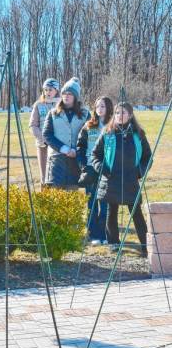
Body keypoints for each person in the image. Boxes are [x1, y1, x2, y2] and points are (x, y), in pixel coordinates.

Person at [91, 102, 151, 256]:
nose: (119, 115)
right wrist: (103, 169)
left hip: (131, 180)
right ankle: (113, 243)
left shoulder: (138, 134)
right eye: (117, 113)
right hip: (111, 179)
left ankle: (146, 245)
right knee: (111, 212)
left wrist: (140, 172)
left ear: (130, 115)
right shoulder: (107, 133)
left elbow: (147, 157)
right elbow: (95, 155)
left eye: (123, 113)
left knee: (136, 213)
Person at [77, 96, 114, 245]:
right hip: (91, 169)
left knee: (104, 202)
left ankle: (104, 234)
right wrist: (84, 166)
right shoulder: (88, 126)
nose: (100, 109)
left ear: (109, 108)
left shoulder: (113, 126)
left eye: (103, 106)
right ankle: (93, 235)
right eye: (97, 106)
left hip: (106, 169)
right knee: (91, 201)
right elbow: (80, 147)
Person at [43, 77, 90, 190]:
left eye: (70, 93)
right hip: (56, 160)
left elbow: (90, 136)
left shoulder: (85, 114)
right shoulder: (53, 113)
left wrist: (76, 150)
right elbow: (47, 135)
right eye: (64, 93)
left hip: (75, 160)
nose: (66, 96)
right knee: (55, 197)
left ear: (75, 97)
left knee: (71, 198)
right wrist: (64, 149)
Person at [29, 78, 60, 186]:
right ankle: (44, 198)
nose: (48, 92)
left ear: (56, 90)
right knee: (44, 175)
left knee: (56, 175)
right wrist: (42, 138)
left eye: (50, 89)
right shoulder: (38, 105)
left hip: (57, 144)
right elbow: (32, 125)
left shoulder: (61, 104)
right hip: (43, 145)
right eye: (46, 90)